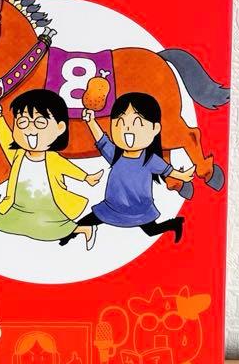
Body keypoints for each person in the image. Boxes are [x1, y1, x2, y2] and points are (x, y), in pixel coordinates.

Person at [61, 91, 195, 247]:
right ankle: (66, 237)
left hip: (139, 209)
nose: (127, 128)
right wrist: (91, 121)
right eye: (120, 123)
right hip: (112, 206)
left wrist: (183, 176)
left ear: (155, 128)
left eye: (137, 123)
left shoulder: (150, 159)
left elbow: (167, 171)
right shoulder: (116, 155)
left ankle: (174, 224)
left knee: (151, 230)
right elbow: (102, 140)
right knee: (84, 222)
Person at [0, 89, 103, 245]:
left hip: (47, 206)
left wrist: (86, 177)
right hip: (18, 205)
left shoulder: (52, 159)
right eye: (22, 122)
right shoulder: (18, 155)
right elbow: (5, 139)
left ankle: (85, 229)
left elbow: (68, 168)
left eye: (40, 122)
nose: (29, 129)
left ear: (60, 128)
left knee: (51, 229)